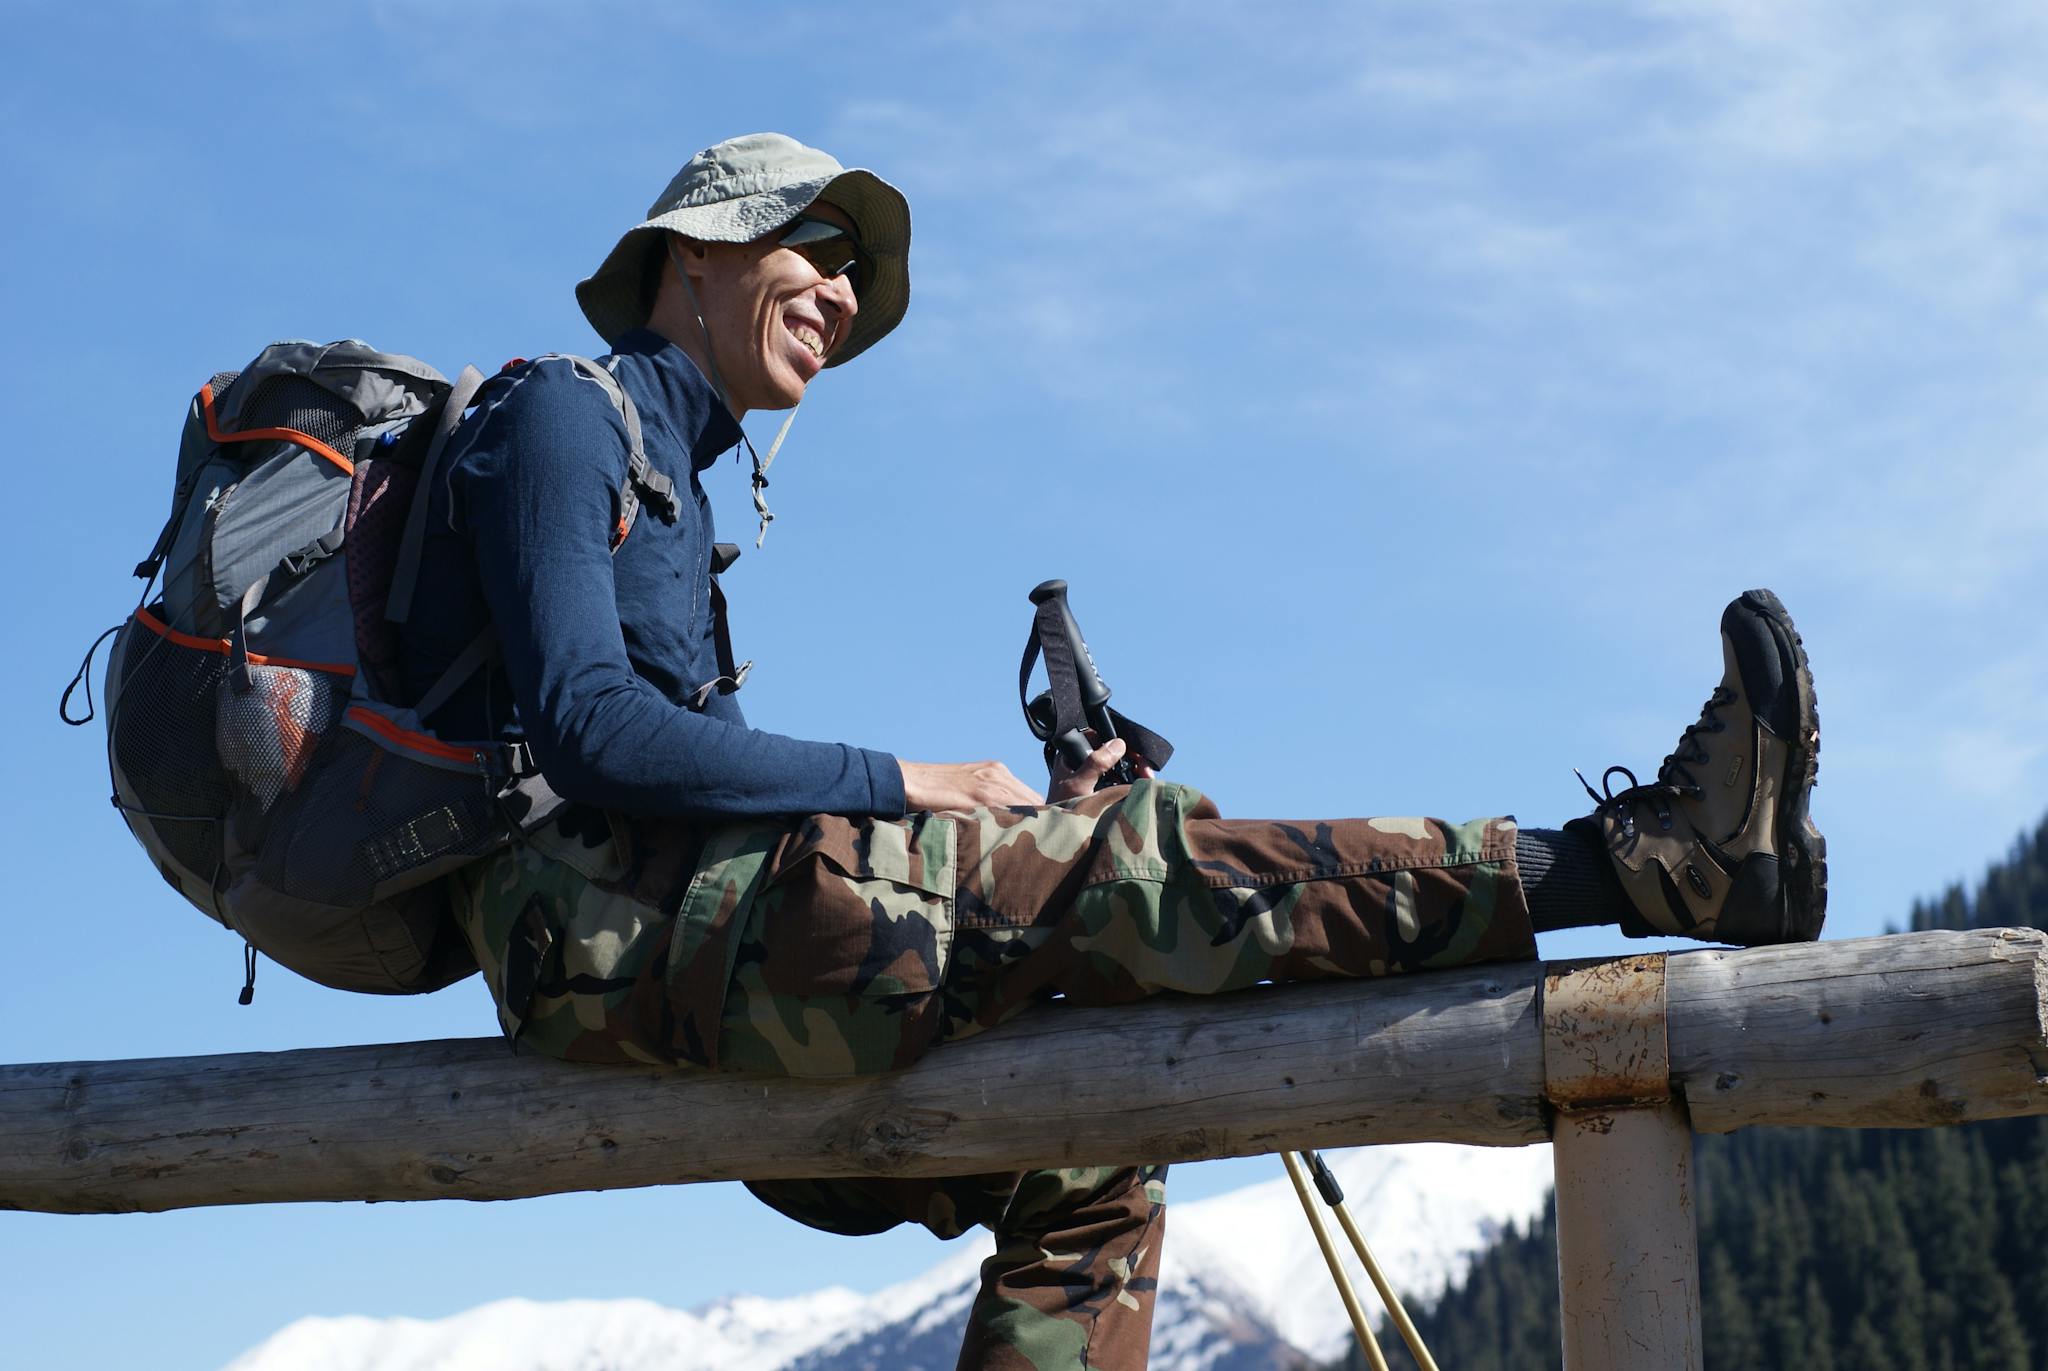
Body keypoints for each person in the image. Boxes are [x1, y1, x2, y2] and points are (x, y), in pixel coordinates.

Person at [398, 132, 1826, 1371]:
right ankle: (1647, 867)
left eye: (854, 271)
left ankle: (1661, 864)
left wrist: (1027, 828)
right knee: (1132, 867)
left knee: (1092, 1149)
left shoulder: (665, 482)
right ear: (692, 253)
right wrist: (917, 789)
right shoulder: (562, 418)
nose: (839, 291)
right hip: (598, 944)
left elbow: (675, 777)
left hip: (678, 958)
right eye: (816, 243)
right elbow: (592, 733)